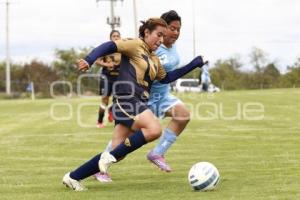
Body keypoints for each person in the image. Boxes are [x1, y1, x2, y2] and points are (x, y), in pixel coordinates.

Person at [62, 17, 207, 191]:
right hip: (127, 99)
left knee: (116, 152)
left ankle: (72, 177)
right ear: (146, 32)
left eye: (163, 37)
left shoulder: (154, 59)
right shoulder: (134, 44)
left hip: (137, 102)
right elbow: (109, 46)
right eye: (158, 35)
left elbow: (167, 78)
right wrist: (89, 59)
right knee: (154, 129)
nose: (161, 40)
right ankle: (111, 158)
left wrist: (193, 64)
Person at [146, 10, 190, 172]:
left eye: (178, 29)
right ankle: (100, 166)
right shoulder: (153, 47)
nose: (176, 32)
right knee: (125, 140)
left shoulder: (173, 46)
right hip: (144, 99)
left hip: (163, 96)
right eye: (172, 28)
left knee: (183, 115)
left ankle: (157, 153)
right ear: (163, 28)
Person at [96, 30, 121, 128]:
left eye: (117, 36)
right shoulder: (106, 49)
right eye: (114, 36)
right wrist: (106, 64)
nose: (116, 37)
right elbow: (97, 61)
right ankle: (100, 121)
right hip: (106, 78)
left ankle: (111, 110)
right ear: (110, 38)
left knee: (118, 100)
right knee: (105, 100)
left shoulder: (123, 49)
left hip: (118, 78)